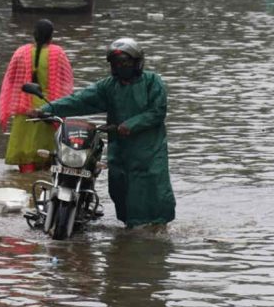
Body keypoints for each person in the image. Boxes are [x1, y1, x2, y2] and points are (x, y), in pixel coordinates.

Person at [30, 38, 175, 229]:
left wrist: (129, 125)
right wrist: (48, 109)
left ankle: (156, 228)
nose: (122, 66)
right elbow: (80, 100)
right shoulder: (108, 86)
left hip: (148, 148)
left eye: (126, 62)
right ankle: (129, 232)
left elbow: (157, 111)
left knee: (151, 189)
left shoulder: (152, 82)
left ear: (137, 62)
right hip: (120, 148)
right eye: (117, 63)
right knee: (120, 187)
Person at [0, 19, 73, 173]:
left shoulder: (21, 52)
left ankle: (25, 183)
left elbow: (10, 80)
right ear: (51, 36)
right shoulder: (58, 53)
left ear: (34, 35)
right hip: (48, 109)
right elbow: (67, 82)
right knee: (46, 156)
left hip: (24, 109)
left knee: (25, 154)